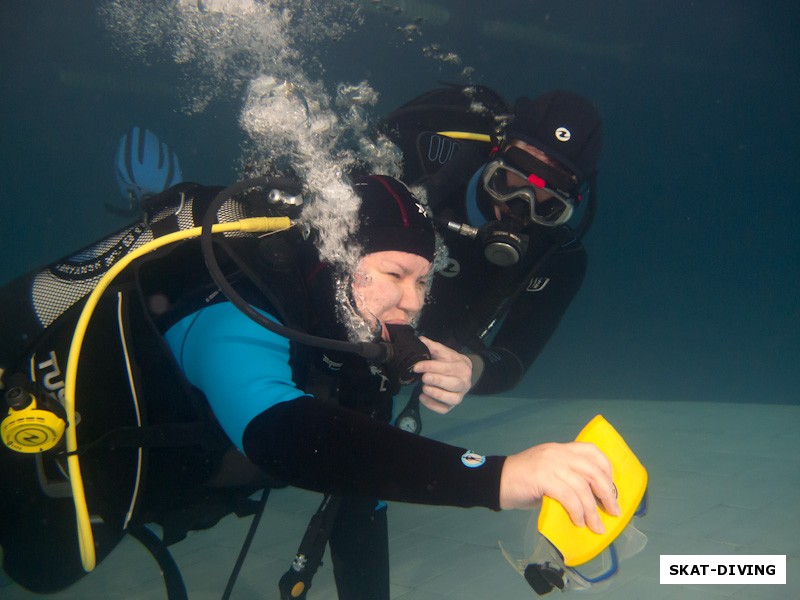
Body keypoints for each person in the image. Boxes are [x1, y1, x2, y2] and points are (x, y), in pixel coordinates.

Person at [0, 174, 618, 599]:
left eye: (424, 281)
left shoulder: (345, 333)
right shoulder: (235, 305)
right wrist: (501, 476)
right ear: (337, 256)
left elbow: (358, 488)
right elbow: (282, 433)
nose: (411, 302)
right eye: (395, 274)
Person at [378, 85, 603, 431]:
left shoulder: (560, 259)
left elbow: (513, 358)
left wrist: (470, 371)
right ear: (495, 154)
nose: (522, 203)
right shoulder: (422, 164)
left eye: (549, 199)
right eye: (510, 179)